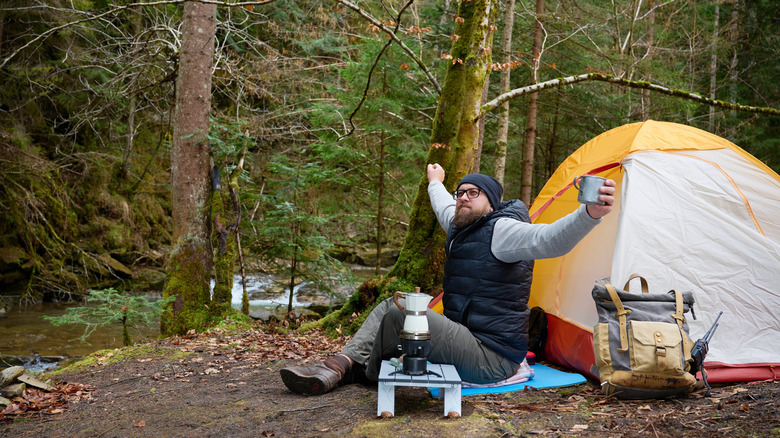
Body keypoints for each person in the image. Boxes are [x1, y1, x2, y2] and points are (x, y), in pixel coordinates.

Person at [280, 163, 616, 395]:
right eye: (461, 192)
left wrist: (589, 214)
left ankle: (358, 370)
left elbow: (550, 239)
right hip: (467, 339)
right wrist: (435, 180)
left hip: (493, 357)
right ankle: (340, 365)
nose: (464, 197)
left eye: (473, 193)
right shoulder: (460, 225)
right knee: (391, 304)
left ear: (491, 202)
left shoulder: (504, 230)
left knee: (404, 315)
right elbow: (442, 204)